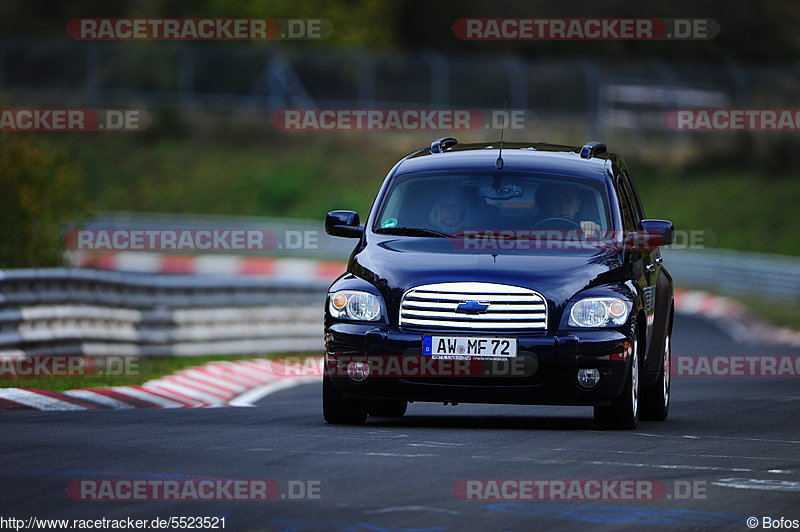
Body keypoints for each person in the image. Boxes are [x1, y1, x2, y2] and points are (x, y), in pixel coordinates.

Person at [535, 183, 602, 238]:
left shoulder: (583, 228)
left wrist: (592, 228)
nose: (563, 207)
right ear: (549, 206)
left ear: (577, 206)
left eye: (569, 202)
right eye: (557, 201)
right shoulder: (531, 227)